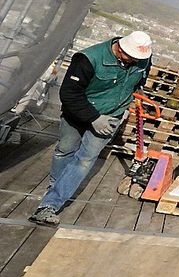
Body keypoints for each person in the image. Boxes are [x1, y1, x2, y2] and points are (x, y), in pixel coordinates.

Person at [29, 32, 153, 226]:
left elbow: (139, 79)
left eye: (139, 59)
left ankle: (49, 205)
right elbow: (69, 94)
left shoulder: (142, 59)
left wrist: (135, 92)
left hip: (112, 114)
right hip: (77, 112)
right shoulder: (88, 59)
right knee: (65, 151)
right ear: (119, 48)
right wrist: (94, 118)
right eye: (131, 57)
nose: (134, 61)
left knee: (85, 160)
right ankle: (56, 187)